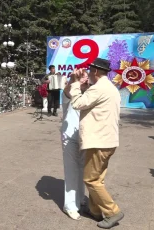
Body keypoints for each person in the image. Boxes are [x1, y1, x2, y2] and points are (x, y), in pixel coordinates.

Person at [69, 59, 124, 229]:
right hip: (107, 140)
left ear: (95, 72)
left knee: (91, 179)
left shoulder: (99, 88)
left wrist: (76, 83)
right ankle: (94, 210)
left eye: (90, 71)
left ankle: (112, 211)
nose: (89, 74)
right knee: (97, 178)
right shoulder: (110, 88)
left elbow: (77, 103)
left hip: (99, 141)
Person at [60, 72, 89, 220]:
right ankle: (70, 205)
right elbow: (66, 91)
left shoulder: (89, 95)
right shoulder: (70, 93)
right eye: (82, 77)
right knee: (71, 169)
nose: (85, 79)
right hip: (69, 136)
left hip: (86, 137)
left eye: (86, 77)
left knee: (82, 169)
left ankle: (81, 197)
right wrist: (74, 80)